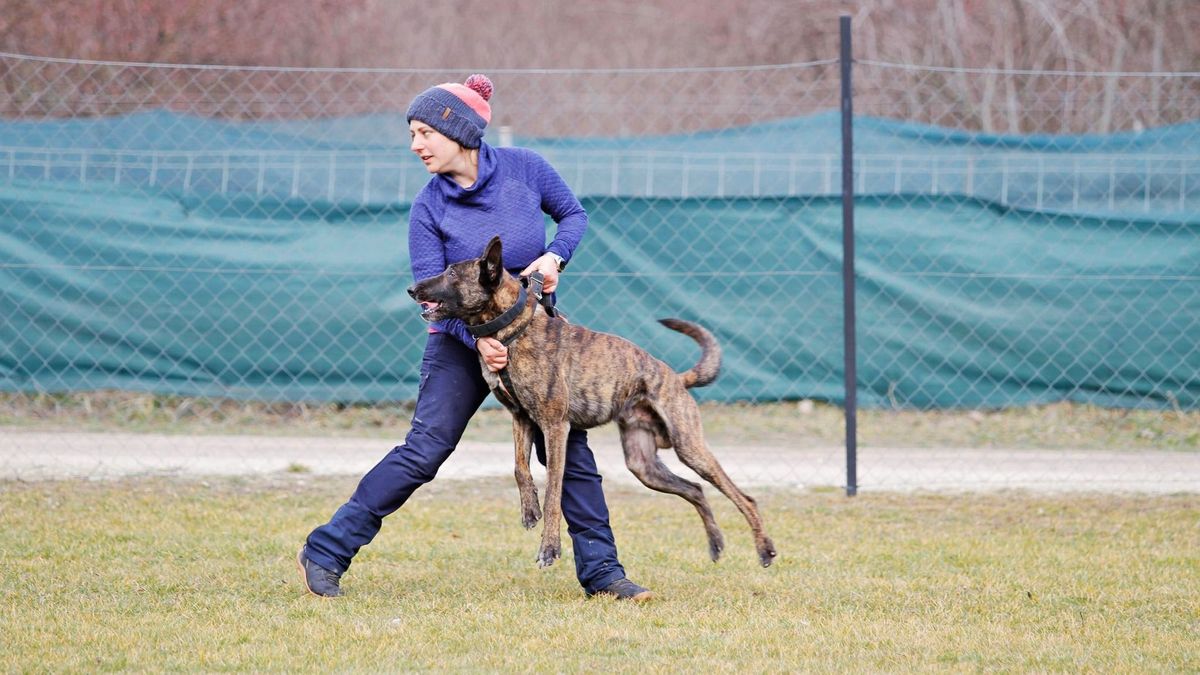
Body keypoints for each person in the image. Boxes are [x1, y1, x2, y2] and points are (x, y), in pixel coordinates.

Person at [298, 74, 652, 601]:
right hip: (462, 344)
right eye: (411, 134)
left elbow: (573, 215)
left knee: (567, 450)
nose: (415, 145)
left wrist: (556, 257)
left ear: (458, 130)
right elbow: (430, 298)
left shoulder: (526, 170)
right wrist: (478, 340)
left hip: (537, 337)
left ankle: (603, 574)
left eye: (424, 132)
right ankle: (326, 551)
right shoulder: (428, 207)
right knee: (424, 450)